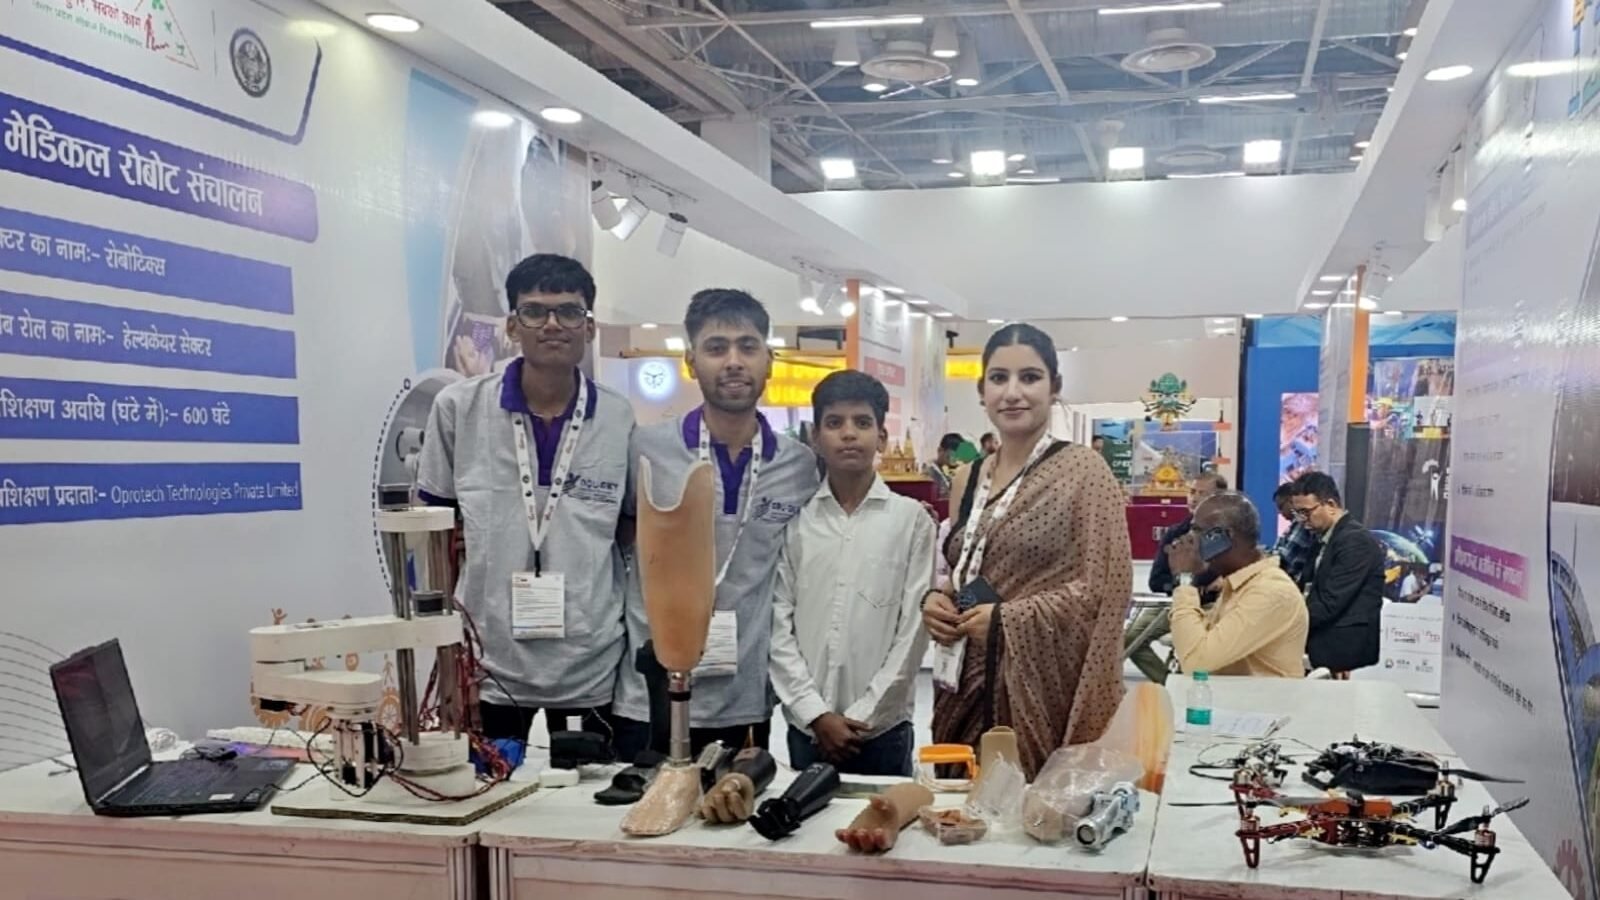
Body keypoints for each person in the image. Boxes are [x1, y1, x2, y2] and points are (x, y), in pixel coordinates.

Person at [417, 254, 633, 743]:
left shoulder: (618, 418)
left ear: (590, 328)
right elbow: (435, 534)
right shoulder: (459, 409)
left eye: (569, 312)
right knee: (486, 781)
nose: (552, 324)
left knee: (587, 787)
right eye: (535, 311)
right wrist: (446, 652)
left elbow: (626, 532)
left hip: (589, 659)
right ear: (513, 326)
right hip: (487, 659)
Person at [612, 289, 818, 758]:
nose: (733, 362)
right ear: (690, 362)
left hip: (744, 696)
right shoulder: (645, 448)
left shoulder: (798, 465)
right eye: (716, 347)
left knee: (732, 804)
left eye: (748, 347)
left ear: (769, 361)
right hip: (649, 694)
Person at [921, 323, 1133, 779]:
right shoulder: (968, 478)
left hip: (1040, 686)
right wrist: (937, 600)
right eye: (999, 378)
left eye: (1030, 377)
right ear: (981, 391)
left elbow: (1104, 589)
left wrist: (1008, 621)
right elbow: (961, 569)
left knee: (1029, 807)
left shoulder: (1083, 471)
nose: (1012, 393)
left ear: (1054, 387)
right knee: (960, 805)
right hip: (963, 678)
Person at [770, 370, 935, 776]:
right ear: (815, 437)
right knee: (804, 816)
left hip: (883, 730)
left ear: (882, 437)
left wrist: (863, 715)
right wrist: (815, 713)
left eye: (862, 422)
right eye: (834, 423)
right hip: (809, 728)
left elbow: (914, 630)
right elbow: (777, 623)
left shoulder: (910, 521)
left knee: (885, 816)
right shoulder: (797, 524)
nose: (848, 434)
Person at [1161, 493, 1309, 678]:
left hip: (1260, 697)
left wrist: (1184, 578)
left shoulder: (1271, 592)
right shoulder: (1238, 583)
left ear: (1224, 537)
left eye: (1197, 530)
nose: (1189, 540)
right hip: (1233, 694)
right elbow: (1200, 642)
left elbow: (1196, 662)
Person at [1125, 474, 1228, 684]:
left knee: (1196, 644)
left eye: (1202, 493)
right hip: (1174, 601)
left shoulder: (1226, 535)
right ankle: (1170, 684)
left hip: (1212, 605)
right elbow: (1156, 581)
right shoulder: (1175, 532)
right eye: (1192, 492)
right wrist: (1188, 582)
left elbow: (1222, 571)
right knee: (1130, 640)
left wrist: (1188, 578)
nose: (1194, 498)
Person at [1290, 472, 1385, 674]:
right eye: (1297, 513)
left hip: (1344, 653)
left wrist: (1286, 622)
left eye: (1306, 512)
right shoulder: (1322, 538)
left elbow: (1331, 601)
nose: (1302, 520)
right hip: (1320, 646)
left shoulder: (1356, 542)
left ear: (1331, 505)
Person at [1273, 483, 1318, 588]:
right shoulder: (1293, 525)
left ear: (1291, 501)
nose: (1280, 512)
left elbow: (1283, 559)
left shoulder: (1301, 524)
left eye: (1281, 507)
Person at [925, 433, 964, 498]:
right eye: (949, 457)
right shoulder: (928, 474)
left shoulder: (955, 471)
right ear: (940, 451)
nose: (954, 463)